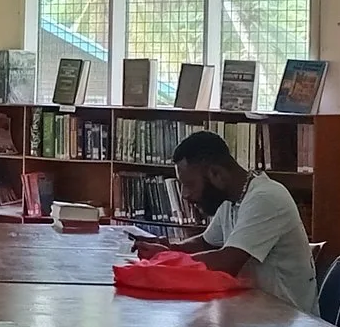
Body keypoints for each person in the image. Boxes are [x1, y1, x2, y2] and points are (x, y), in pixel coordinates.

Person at [132, 130, 315, 310]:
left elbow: (227, 262)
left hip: (288, 323)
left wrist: (166, 262)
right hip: (255, 314)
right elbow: (205, 243)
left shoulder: (265, 198)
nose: (184, 195)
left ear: (216, 174)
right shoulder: (231, 199)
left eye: (189, 184)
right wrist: (168, 248)